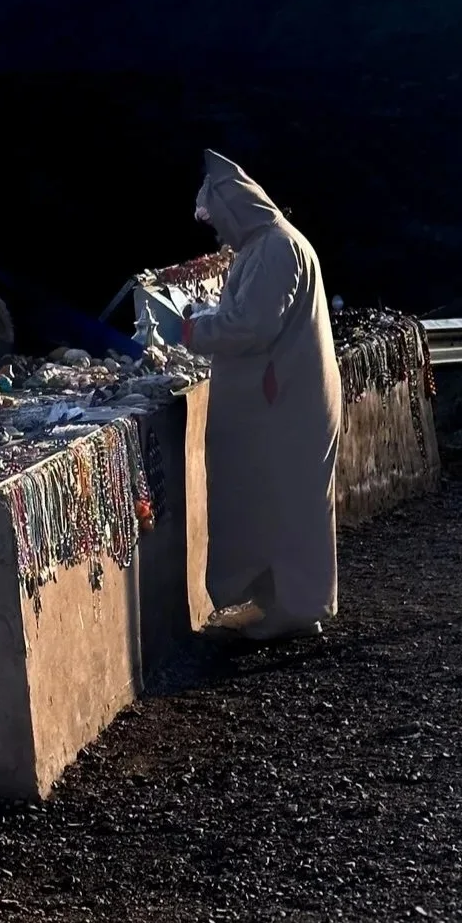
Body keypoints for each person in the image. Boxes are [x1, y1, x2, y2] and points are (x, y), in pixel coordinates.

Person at [180, 150, 341, 641]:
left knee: (288, 508)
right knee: (282, 506)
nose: (217, 233)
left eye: (218, 221)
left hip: (286, 404)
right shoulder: (266, 246)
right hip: (287, 399)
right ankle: (281, 602)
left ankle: (293, 609)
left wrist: (192, 331)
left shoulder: (274, 249)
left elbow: (252, 326)